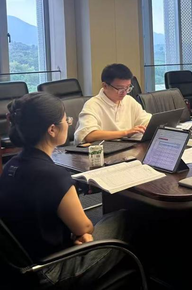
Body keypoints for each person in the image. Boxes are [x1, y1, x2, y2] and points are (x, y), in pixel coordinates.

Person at [0, 93, 129, 287]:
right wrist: (80, 234)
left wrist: (75, 234)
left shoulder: (11, 165)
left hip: (22, 266)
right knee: (125, 218)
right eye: (66, 120)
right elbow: (85, 228)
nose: (69, 123)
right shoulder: (54, 176)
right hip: (52, 270)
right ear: (52, 129)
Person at [74, 63, 151, 144]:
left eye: (127, 88)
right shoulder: (92, 105)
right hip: (103, 149)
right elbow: (89, 135)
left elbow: (146, 121)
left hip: (126, 147)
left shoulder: (129, 100)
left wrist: (150, 125)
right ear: (105, 86)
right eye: (120, 88)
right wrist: (126, 133)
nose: (124, 93)